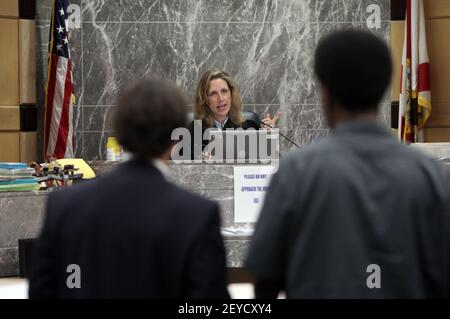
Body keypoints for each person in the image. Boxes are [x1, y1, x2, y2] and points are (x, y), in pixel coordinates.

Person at [245, 29, 450, 298]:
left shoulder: (296, 172)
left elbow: (266, 282)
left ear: (325, 92)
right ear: (383, 87)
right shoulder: (434, 176)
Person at [29, 78, 230, 298]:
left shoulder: (63, 205)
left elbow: (42, 292)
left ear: (120, 129)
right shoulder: (197, 215)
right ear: (176, 137)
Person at [188, 69, 281, 159]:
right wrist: (201, 162)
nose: (220, 98)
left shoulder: (249, 125)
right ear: (205, 99)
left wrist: (269, 137)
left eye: (224, 91)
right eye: (213, 93)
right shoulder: (192, 131)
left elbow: (274, 161)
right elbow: (181, 170)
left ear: (231, 94)